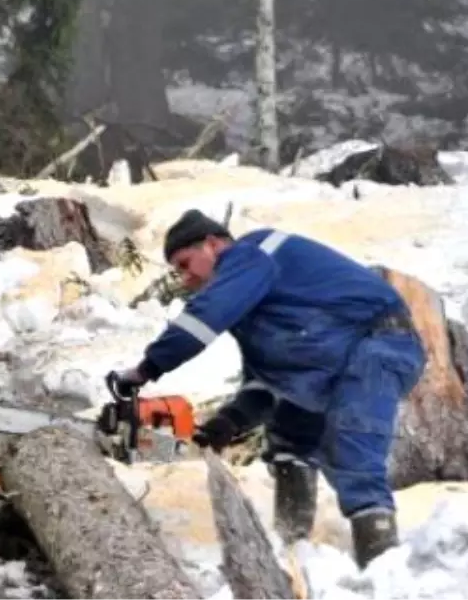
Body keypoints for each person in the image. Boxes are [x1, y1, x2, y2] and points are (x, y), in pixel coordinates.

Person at [112, 209, 427, 569]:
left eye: (186, 264)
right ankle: (292, 549)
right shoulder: (254, 300)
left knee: (354, 447)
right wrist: (227, 423)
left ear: (213, 245)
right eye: (178, 271)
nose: (185, 278)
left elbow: (204, 318)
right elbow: (267, 383)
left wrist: (146, 369)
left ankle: (382, 570)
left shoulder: (250, 255)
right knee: (289, 439)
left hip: (378, 346)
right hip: (327, 364)